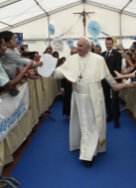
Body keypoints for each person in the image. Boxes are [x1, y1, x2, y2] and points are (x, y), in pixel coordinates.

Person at [51, 37, 124, 167]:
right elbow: (60, 72)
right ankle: (81, 144)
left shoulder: (98, 59)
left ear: (88, 47)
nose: (77, 48)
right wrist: (48, 70)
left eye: (80, 46)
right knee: (81, 122)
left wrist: (115, 86)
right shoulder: (72, 59)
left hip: (94, 95)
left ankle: (88, 154)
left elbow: (107, 75)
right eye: (77, 45)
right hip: (78, 95)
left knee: (91, 123)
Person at [101, 37, 122, 128]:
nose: (108, 45)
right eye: (107, 44)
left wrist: (116, 81)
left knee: (115, 100)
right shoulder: (102, 55)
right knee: (106, 99)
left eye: (110, 44)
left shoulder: (117, 54)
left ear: (112, 44)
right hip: (104, 81)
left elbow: (118, 68)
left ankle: (116, 119)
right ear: (105, 44)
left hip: (114, 81)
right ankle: (109, 114)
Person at [61, 47, 77, 116]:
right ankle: (70, 113)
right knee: (69, 100)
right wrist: (62, 88)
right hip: (68, 85)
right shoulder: (66, 63)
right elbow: (63, 75)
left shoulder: (82, 62)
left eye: (75, 53)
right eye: (72, 53)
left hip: (78, 85)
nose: (73, 54)